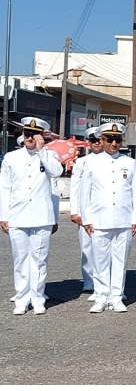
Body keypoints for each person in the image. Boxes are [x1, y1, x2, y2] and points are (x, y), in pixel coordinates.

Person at [0, 117, 62, 315]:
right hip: (17, 215)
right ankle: (21, 298)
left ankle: (37, 297)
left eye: (34, 135)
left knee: (39, 259)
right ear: (22, 134)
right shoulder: (11, 158)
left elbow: (57, 172)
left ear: (42, 137)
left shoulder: (49, 156)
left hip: (41, 216)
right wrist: (4, 216)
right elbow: (5, 188)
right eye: (27, 134)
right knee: (20, 259)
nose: (30, 138)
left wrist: (42, 151)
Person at [79, 123, 136, 313]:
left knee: (120, 261)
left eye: (118, 140)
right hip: (99, 220)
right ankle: (101, 296)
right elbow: (85, 193)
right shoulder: (91, 163)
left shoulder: (129, 163)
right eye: (110, 140)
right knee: (100, 261)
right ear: (102, 140)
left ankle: (116, 297)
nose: (114, 144)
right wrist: (86, 219)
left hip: (123, 220)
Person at [69, 127, 103, 295]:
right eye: (93, 140)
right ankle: (89, 281)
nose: (96, 143)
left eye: (99, 140)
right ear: (89, 143)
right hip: (85, 210)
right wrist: (75, 211)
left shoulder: (111, 161)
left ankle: (103, 281)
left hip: (102, 210)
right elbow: (74, 187)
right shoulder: (81, 162)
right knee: (87, 247)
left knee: (104, 248)